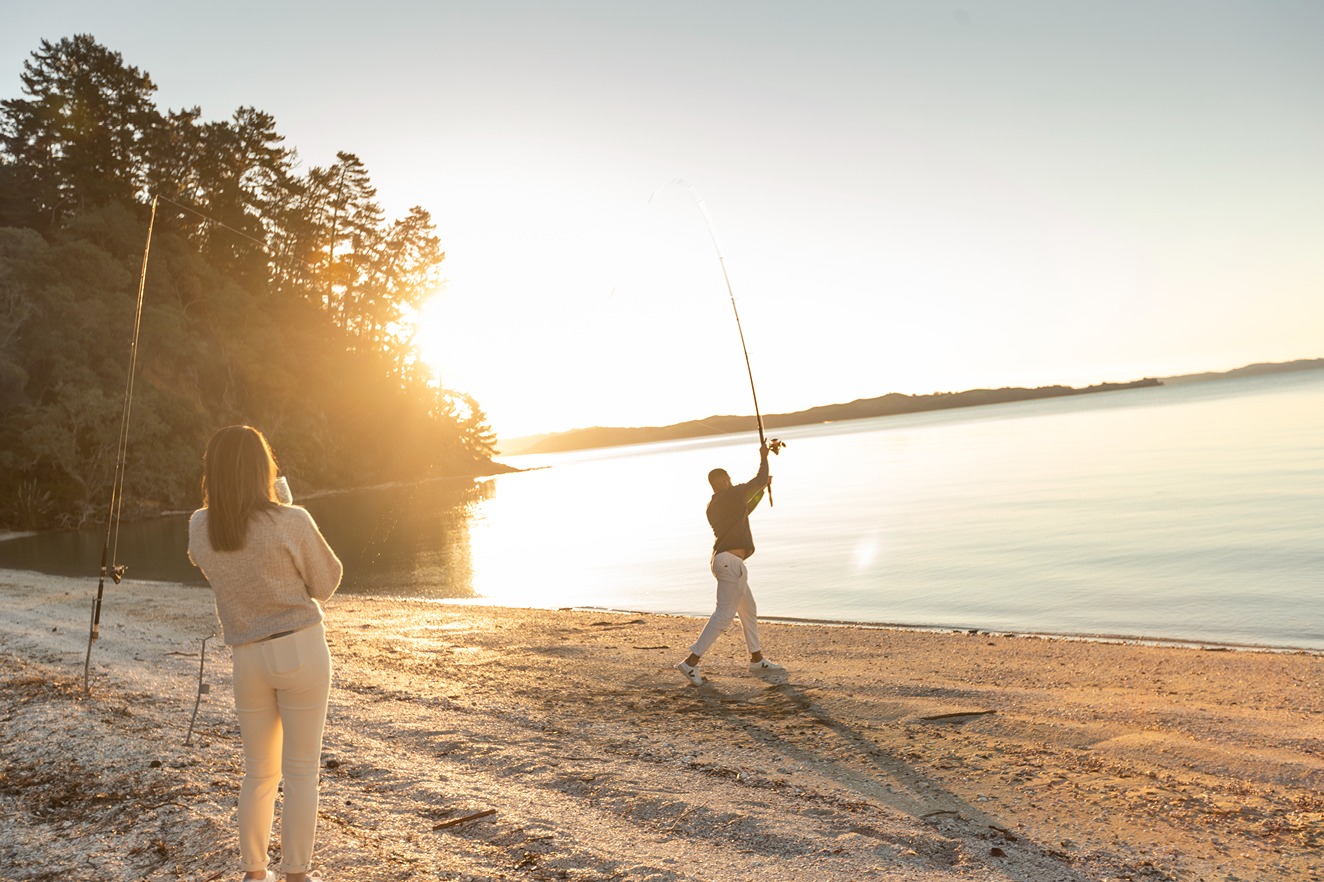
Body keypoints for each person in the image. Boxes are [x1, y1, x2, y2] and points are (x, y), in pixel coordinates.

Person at [187, 426, 343, 882]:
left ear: (212, 473)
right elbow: (327, 583)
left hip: (247, 659)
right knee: (300, 773)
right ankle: (296, 874)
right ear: (263, 469)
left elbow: (208, 563)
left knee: (259, 773)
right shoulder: (291, 520)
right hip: (300, 649)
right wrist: (284, 505)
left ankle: (255, 874)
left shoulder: (200, 525)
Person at [678, 441, 786, 686]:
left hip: (723, 562)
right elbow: (757, 481)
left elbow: (745, 509)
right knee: (724, 615)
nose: (731, 480)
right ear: (725, 480)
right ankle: (690, 662)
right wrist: (763, 456)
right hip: (730, 564)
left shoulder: (714, 505)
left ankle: (756, 659)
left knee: (748, 609)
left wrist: (760, 489)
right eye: (729, 478)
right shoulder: (732, 494)